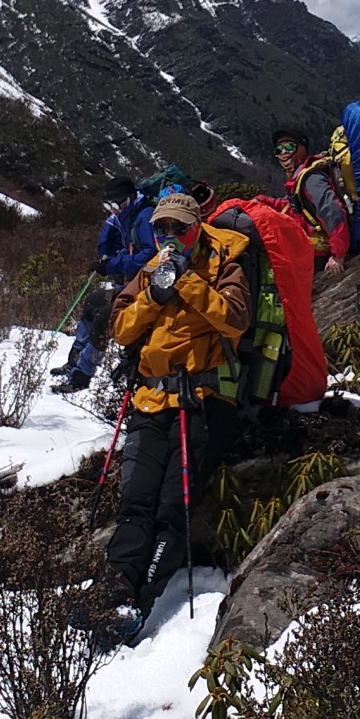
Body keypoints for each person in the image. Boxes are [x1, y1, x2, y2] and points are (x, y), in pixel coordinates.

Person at [90, 190, 253, 642]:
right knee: (135, 503)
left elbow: (236, 319)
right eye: (160, 228)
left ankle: (140, 602)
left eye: (178, 228)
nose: (169, 236)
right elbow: (121, 329)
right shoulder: (150, 270)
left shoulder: (226, 266)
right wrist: (153, 295)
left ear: (197, 227)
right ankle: (112, 590)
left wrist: (187, 283)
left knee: (170, 508)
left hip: (200, 402)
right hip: (148, 401)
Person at [272, 128, 350, 276]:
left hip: (319, 255)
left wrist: (338, 255)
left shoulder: (310, 178)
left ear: (301, 149)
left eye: (289, 147)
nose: (283, 153)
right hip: (311, 250)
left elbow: (332, 211)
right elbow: (294, 206)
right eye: (279, 149)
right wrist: (262, 202)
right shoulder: (298, 176)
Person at [96, 175, 159, 284]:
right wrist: (106, 261)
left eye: (115, 204)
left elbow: (150, 253)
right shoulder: (121, 214)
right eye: (108, 205)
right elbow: (106, 242)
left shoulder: (145, 216)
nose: (112, 210)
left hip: (147, 274)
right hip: (130, 270)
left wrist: (113, 265)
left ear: (131, 198)